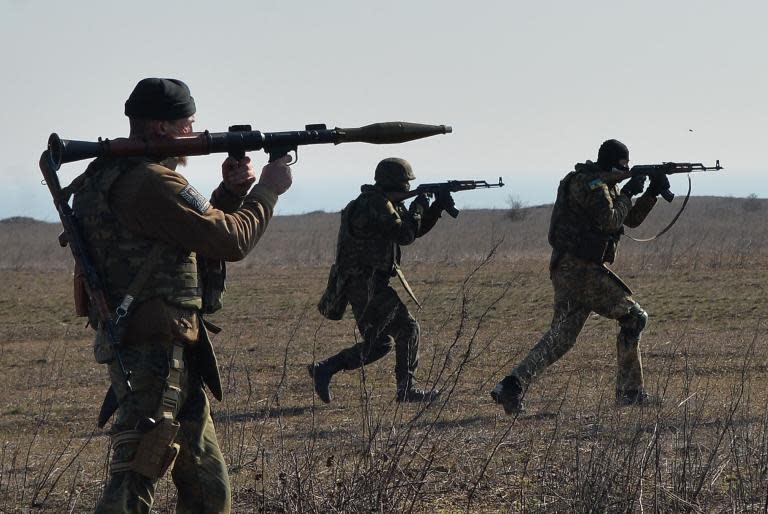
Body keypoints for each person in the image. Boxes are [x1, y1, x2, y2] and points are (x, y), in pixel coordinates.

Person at [69, 78, 292, 513]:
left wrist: (229, 194)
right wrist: (268, 189)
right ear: (161, 129)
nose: (196, 132)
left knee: (207, 484)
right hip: (154, 352)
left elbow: (173, 234)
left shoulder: (105, 176)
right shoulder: (151, 182)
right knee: (134, 478)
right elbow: (230, 241)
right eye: (189, 124)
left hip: (158, 344)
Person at [490, 139, 669, 414]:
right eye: (623, 165)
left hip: (572, 268)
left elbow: (628, 220)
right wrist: (629, 191)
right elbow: (610, 219)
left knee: (561, 338)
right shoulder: (589, 184)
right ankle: (629, 393)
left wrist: (651, 193)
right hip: (579, 268)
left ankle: (511, 386)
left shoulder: (603, 185)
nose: (627, 169)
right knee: (634, 317)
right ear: (611, 163)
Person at [310, 158, 451, 403]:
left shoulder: (379, 202)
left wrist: (435, 208)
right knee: (408, 328)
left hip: (362, 283)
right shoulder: (375, 204)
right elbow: (405, 234)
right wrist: (419, 204)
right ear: (397, 183)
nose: (409, 188)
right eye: (407, 184)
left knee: (379, 343)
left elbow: (412, 230)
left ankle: (325, 368)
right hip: (366, 283)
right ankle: (406, 390)